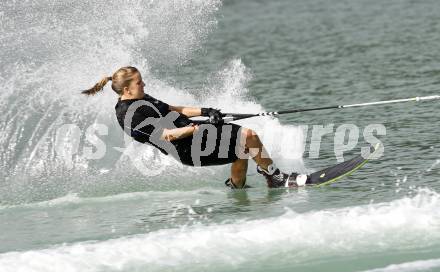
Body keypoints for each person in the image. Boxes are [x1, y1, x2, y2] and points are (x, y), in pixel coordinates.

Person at [82, 66, 307, 188]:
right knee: (248, 137)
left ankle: (237, 187)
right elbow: (166, 136)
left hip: (196, 133)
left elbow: (173, 109)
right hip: (188, 149)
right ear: (127, 90)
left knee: (244, 147)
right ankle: (276, 178)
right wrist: (193, 129)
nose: (144, 84)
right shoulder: (129, 115)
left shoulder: (141, 98)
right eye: (140, 82)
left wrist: (207, 112)